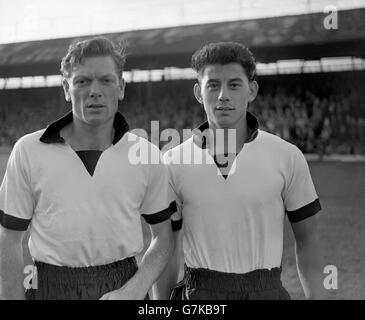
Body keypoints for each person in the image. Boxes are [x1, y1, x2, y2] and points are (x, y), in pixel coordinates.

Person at [0, 37, 175, 300]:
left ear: (121, 87)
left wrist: (135, 289)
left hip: (123, 285)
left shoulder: (146, 155)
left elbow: (163, 238)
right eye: (82, 81)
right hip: (48, 285)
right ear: (66, 88)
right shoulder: (28, 150)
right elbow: (9, 240)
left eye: (106, 80)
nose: (95, 90)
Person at [158, 42, 325, 300]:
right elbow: (166, 249)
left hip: (265, 292)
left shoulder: (287, 156)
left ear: (252, 90)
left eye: (234, 84)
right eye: (213, 85)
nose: (223, 95)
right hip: (199, 296)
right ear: (198, 92)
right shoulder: (172, 161)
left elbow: (308, 241)